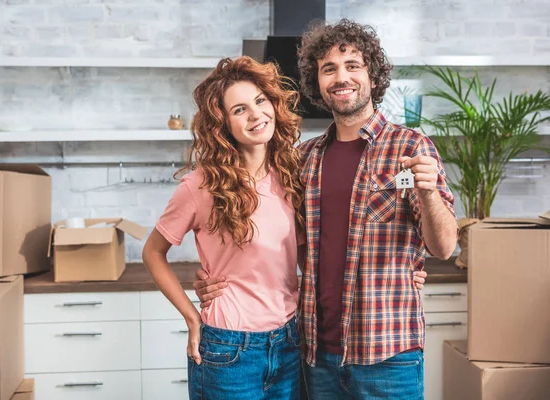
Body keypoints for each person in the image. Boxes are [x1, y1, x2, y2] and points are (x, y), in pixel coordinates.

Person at [193, 19, 457, 400]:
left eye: (353, 65)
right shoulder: (303, 159)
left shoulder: (410, 147)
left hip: (387, 354)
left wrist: (429, 194)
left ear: (372, 75)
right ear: (316, 82)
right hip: (315, 354)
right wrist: (217, 277)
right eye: (328, 69)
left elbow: (444, 247)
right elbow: (276, 240)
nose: (341, 77)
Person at [142, 55, 306, 400]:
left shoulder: (292, 174)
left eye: (260, 101)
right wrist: (190, 316)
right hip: (229, 348)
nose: (256, 114)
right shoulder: (199, 186)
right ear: (222, 125)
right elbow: (153, 252)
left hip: (290, 341)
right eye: (239, 110)